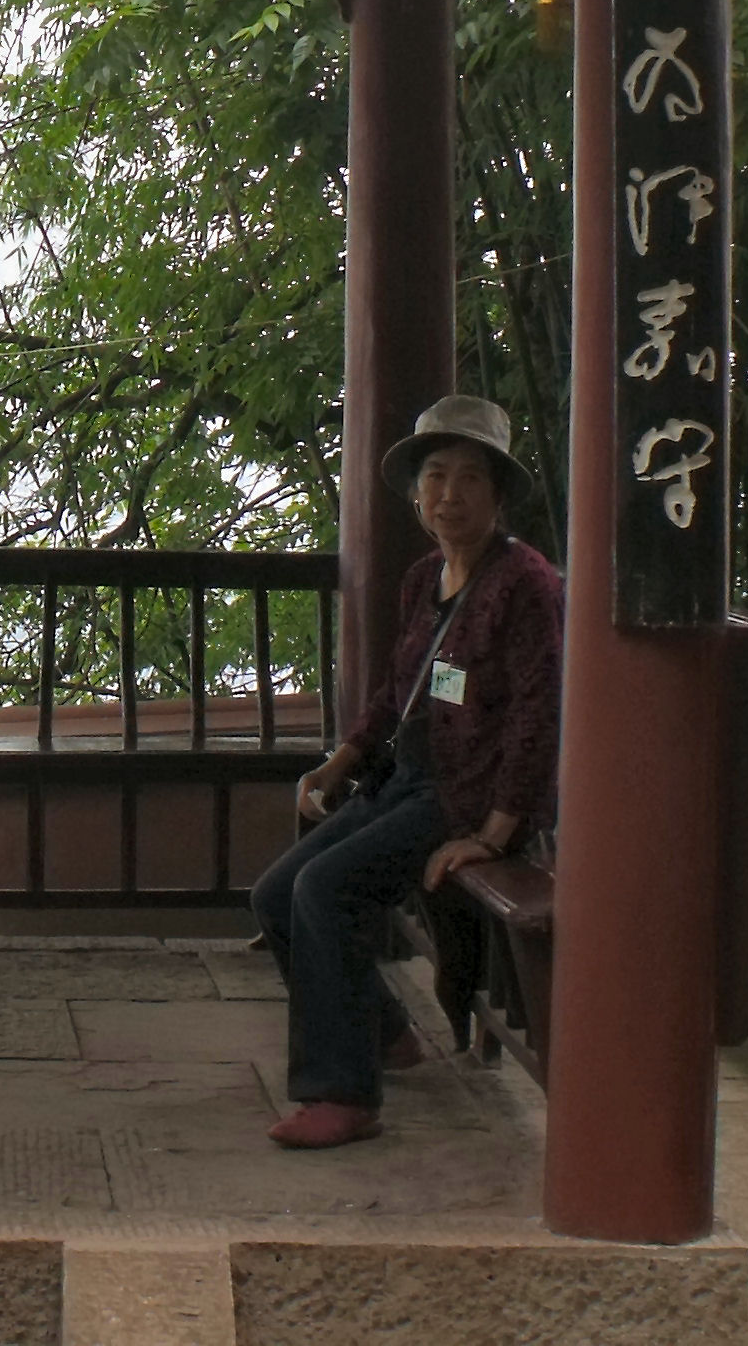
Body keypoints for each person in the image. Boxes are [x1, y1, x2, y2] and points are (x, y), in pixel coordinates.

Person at [252, 393, 561, 1150]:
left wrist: (494, 833)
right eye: (435, 477)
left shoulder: (527, 585)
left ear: (497, 494)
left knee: (327, 889)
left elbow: (539, 715)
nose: (449, 495)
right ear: (417, 493)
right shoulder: (425, 578)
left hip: (466, 794)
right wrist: (339, 763)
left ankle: (342, 1091)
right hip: (407, 777)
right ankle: (383, 1033)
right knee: (276, 894)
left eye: (469, 478)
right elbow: (399, 692)